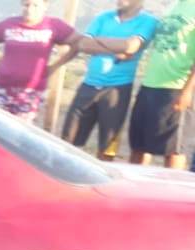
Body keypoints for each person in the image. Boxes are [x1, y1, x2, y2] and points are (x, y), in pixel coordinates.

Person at [63, 1, 158, 161]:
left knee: (107, 145)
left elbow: (131, 47)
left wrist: (99, 42)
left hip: (117, 89)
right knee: (68, 140)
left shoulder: (148, 21)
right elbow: (83, 44)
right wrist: (118, 48)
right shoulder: (103, 17)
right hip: (89, 85)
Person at [0, 0, 82, 123]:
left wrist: (55, 66)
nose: (29, 9)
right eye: (26, 5)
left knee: (21, 133)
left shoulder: (53, 25)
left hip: (31, 93)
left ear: (45, 6)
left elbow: (78, 42)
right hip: (2, 89)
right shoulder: (10, 24)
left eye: (35, 5)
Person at [129, 0, 195, 169]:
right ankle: (137, 189)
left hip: (176, 87)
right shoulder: (172, 6)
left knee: (173, 150)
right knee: (139, 146)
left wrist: (187, 91)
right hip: (150, 85)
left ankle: (174, 193)